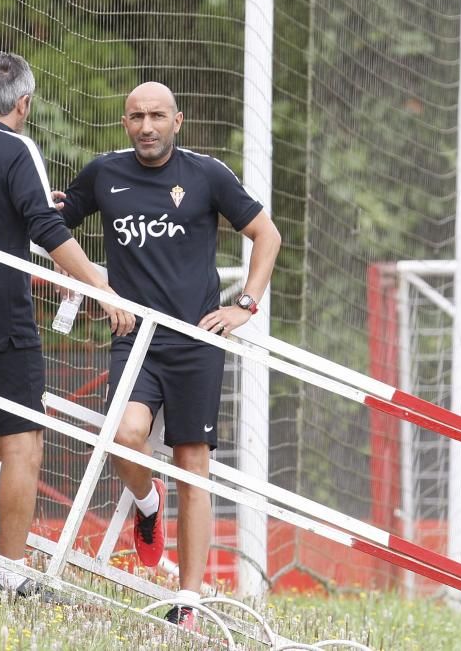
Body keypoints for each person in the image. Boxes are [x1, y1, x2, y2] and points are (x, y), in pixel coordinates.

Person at [55, 82, 281, 627]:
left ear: (178, 121)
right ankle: (147, 503)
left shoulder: (207, 174)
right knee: (123, 434)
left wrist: (245, 306)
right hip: (135, 338)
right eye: (137, 117)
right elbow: (55, 224)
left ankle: (190, 602)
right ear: (125, 123)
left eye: (157, 116)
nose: (147, 126)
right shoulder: (104, 173)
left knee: (193, 468)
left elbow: (266, 234)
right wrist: (81, 281)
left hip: (197, 341)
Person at [0, 53, 134, 599]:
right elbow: (46, 227)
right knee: (22, 445)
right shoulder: (18, 148)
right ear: (23, 105)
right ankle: (13, 576)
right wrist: (100, 284)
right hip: (4, 320)